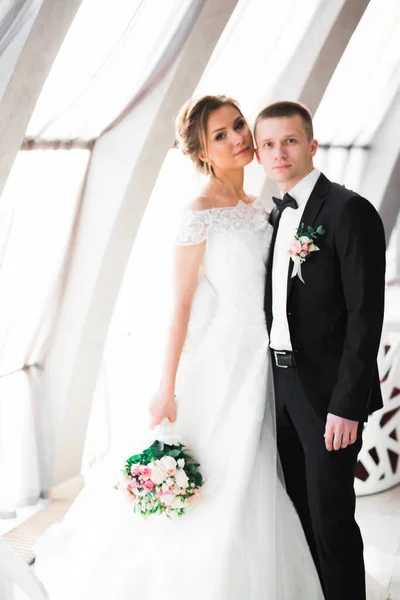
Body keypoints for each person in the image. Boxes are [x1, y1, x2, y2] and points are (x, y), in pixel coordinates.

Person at [34, 95, 324, 599]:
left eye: (238, 126)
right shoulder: (198, 214)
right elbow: (180, 307)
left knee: (256, 479)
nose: (238, 138)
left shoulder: (261, 208)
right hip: (220, 364)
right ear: (202, 153)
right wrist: (165, 387)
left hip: (264, 360)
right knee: (220, 476)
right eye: (221, 135)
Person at [254, 100, 386, 600]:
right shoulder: (272, 215)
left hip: (329, 395)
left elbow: (364, 318)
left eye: (289, 141)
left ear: (311, 145)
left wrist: (346, 405)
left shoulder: (349, 210)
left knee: (332, 521)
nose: (278, 152)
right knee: (298, 518)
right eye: (268, 144)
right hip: (278, 387)